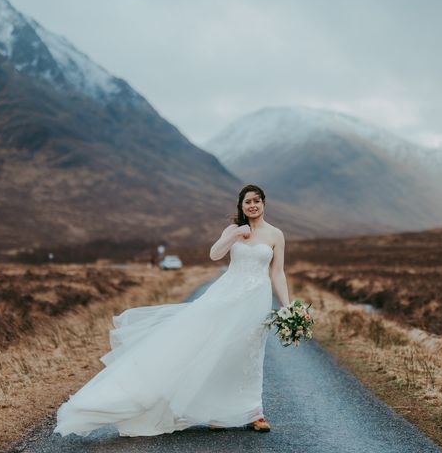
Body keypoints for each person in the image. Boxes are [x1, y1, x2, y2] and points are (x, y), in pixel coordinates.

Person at [53, 184, 290, 437]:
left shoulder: (276, 235)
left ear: (264, 203)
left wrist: (287, 307)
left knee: (250, 354)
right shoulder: (233, 230)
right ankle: (215, 412)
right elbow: (214, 254)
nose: (252, 205)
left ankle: (255, 413)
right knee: (214, 350)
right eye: (247, 202)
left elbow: (277, 272)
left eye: (256, 200)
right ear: (241, 206)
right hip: (225, 296)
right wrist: (234, 235)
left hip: (256, 301)